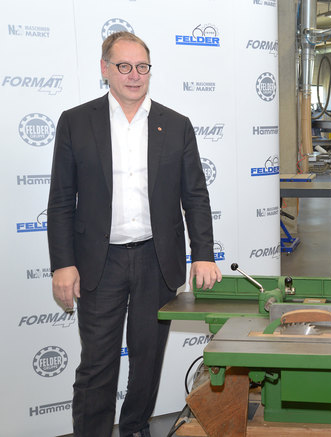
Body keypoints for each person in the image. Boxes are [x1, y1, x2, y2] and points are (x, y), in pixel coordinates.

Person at [47, 31, 222, 437]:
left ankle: (134, 428)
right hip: (98, 263)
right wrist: (63, 263)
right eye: (124, 66)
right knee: (97, 364)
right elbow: (60, 200)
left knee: (147, 360)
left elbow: (195, 196)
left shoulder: (176, 126)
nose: (133, 75)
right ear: (105, 69)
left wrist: (204, 253)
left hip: (155, 261)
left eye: (141, 67)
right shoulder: (76, 122)